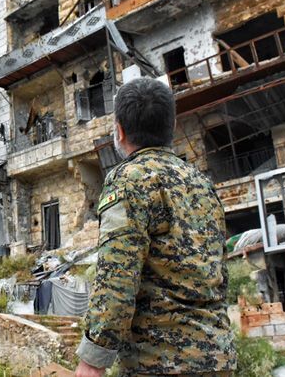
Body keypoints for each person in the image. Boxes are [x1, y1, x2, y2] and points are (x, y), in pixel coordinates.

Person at [75, 77, 236, 377]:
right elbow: (219, 275)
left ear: (119, 131)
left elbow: (116, 277)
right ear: (172, 126)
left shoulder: (128, 180)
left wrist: (92, 360)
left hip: (159, 362)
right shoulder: (202, 183)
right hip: (217, 359)